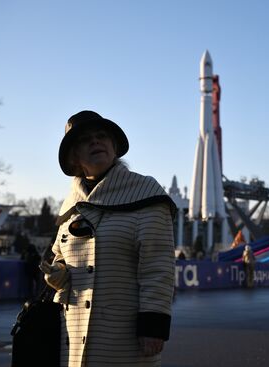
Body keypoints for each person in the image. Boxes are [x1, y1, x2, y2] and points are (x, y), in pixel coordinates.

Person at [40, 110, 176, 366]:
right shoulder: (71, 206)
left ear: (114, 147)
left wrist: (153, 325)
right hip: (72, 332)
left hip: (122, 336)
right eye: (84, 140)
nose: (95, 142)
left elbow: (158, 266)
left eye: (102, 136)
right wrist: (57, 273)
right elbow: (60, 256)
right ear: (75, 157)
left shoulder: (146, 194)